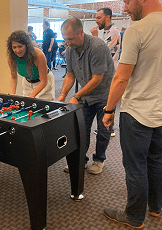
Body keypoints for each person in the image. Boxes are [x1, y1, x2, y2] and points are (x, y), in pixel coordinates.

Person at [102, 0, 162, 228]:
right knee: (156, 159)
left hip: (138, 114)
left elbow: (121, 78)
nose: (124, 8)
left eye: (126, 2)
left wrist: (109, 109)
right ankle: (155, 206)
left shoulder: (137, 30)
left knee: (136, 165)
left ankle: (134, 216)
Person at [57, 18, 115, 175]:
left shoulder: (97, 46)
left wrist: (76, 95)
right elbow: (70, 75)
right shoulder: (70, 49)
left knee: (103, 131)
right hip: (87, 96)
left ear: (81, 33)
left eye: (70, 38)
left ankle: (99, 159)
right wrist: (62, 95)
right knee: (82, 129)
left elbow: (97, 78)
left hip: (105, 95)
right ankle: (81, 160)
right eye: (65, 39)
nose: (67, 43)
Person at [90, 7, 119, 137]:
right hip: (106, 70)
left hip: (111, 71)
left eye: (98, 18)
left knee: (108, 100)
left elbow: (102, 50)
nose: (96, 21)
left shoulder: (113, 31)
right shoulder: (107, 31)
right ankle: (107, 127)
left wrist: (95, 38)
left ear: (107, 17)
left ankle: (109, 128)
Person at [7, 30, 55, 101]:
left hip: (43, 83)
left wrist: (32, 95)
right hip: (27, 82)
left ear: (26, 45)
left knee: (43, 107)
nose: (17, 50)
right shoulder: (11, 57)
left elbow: (44, 81)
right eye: (14, 47)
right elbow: (14, 77)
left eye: (20, 46)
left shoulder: (38, 54)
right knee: (27, 107)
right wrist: (12, 93)